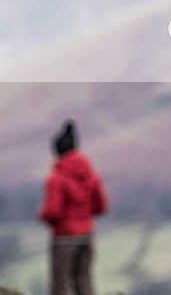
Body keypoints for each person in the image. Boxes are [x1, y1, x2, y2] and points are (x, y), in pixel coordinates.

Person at [38, 120, 109, 295]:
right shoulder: (91, 176)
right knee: (84, 282)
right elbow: (101, 207)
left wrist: (42, 215)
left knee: (60, 285)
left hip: (64, 239)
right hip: (87, 236)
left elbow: (52, 211)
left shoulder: (56, 178)